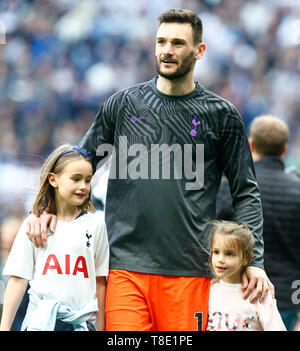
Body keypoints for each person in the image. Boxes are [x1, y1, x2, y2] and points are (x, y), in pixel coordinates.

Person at [26, 9, 272, 331]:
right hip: (124, 268)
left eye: (178, 43)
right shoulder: (124, 104)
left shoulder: (221, 115)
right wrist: (48, 207)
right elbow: (80, 160)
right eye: (161, 42)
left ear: (199, 51)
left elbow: (245, 191)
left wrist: (254, 262)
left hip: (191, 270)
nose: (167, 50)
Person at [0, 144, 109, 331]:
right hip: (39, 323)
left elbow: (100, 281)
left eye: (88, 180)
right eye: (76, 179)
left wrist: (101, 328)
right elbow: (18, 278)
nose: (83, 186)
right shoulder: (33, 225)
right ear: (53, 179)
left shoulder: (97, 224)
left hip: (80, 324)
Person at [216, 115, 300, 330]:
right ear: (284, 150)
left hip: (243, 296)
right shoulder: (296, 191)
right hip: (288, 296)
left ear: (251, 144)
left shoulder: (230, 188)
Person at [207, 220, 286, 331]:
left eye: (229, 253)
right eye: (216, 252)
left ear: (246, 258)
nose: (220, 259)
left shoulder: (259, 293)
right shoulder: (207, 289)